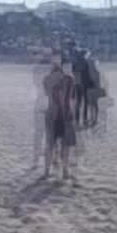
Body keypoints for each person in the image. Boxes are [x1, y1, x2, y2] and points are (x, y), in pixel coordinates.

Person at [41, 53, 77, 181]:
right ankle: (65, 171)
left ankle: (47, 170)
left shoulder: (47, 79)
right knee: (64, 145)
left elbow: (47, 93)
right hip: (65, 115)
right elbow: (72, 100)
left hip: (52, 114)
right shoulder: (70, 79)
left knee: (50, 144)